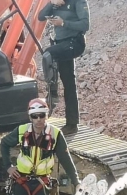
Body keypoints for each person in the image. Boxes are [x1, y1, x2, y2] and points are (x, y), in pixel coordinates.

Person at [1, 98, 79, 195]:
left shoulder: (55, 134)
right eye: (34, 116)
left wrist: (76, 181)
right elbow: (4, 144)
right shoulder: (22, 131)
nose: (38, 120)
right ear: (30, 117)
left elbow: (65, 159)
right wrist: (8, 167)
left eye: (42, 115)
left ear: (47, 115)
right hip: (21, 180)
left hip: (41, 182)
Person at [38, 0, 90, 135]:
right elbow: (40, 16)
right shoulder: (55, 3)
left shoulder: (78, 2)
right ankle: (72, 124)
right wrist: (51, 3)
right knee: (69, 83)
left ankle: (53, 93)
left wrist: (63, 23)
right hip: (61, 44)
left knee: (48, 54)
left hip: (74, 42)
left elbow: (85, 25)